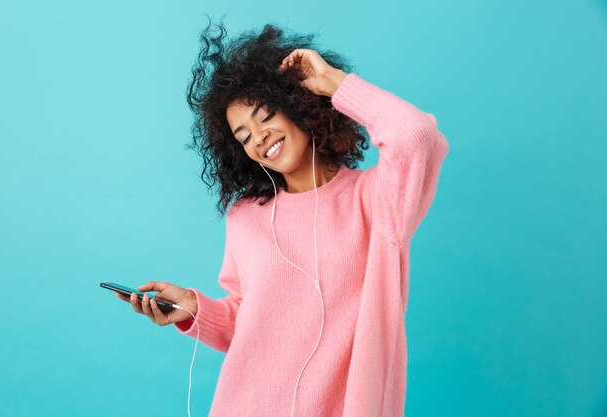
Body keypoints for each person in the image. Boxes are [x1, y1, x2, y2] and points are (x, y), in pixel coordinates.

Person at [116, 17, 449, 417]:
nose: (258, 137)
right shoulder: (246, 218)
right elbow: (249, 324)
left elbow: (416, 136)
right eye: (243, 136)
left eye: (266, 115)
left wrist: (335, 82)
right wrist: (194, 308)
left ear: (299, 105)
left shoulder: (376, 201)